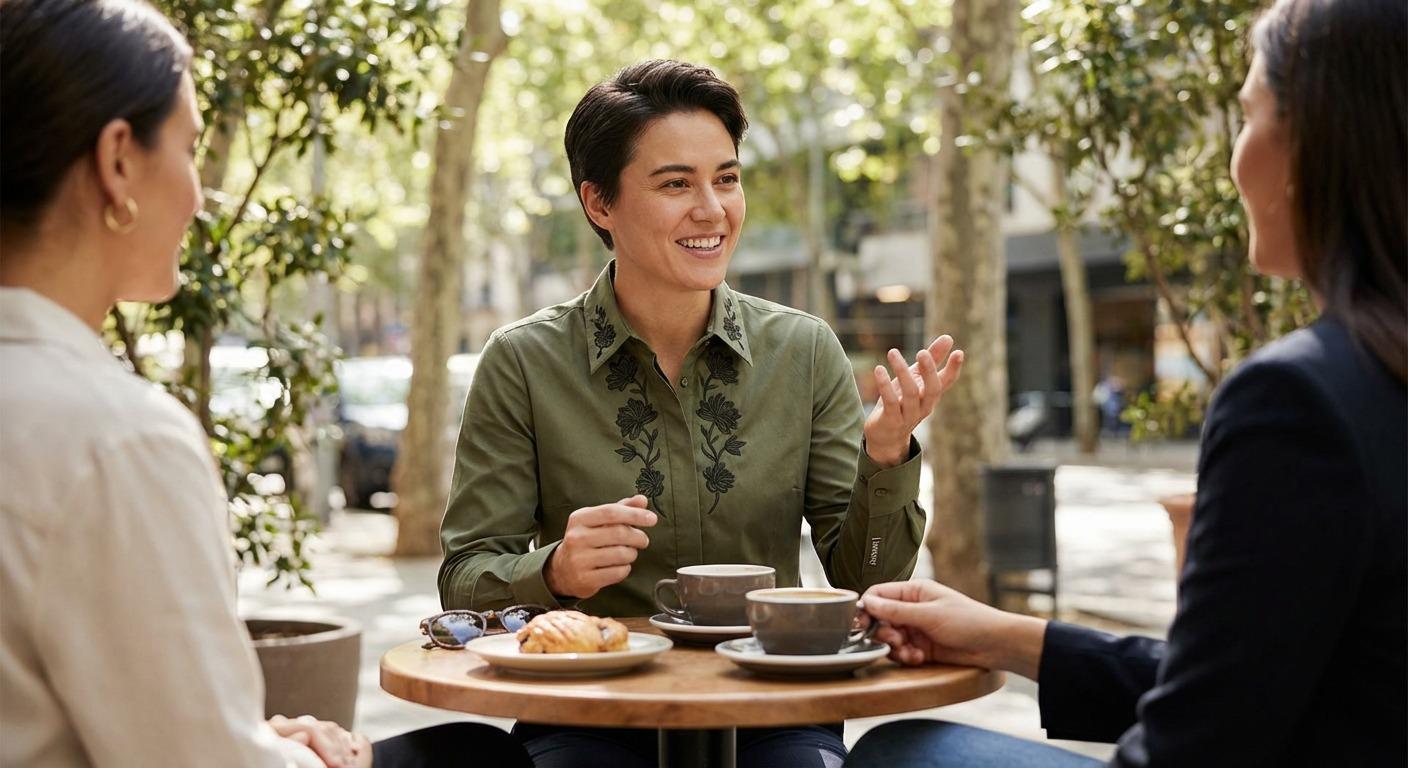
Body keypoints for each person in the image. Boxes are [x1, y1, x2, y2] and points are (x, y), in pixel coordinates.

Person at [845, 0, 1407, 765]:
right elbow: (1254, 679)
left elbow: (1199, 740)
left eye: (1246, 118)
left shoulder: (1299, 400)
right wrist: (1001, 634)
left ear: (1319, 142)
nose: (1234, 157)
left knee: (908, 754)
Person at [0, 2, 532, 766]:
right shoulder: (119, 440)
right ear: (119, 160)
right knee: (479, 757)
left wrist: (259, 740)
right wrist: (313, 756)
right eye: (187, 149)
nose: (197, 196)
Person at [438, 59, 964, 767]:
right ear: (599, 203)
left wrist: (888, 457)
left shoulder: (805, 351)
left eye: (727, 177)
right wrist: (556, 569)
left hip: (778, 706)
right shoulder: (523, 362)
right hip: (588, 711)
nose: (712, 209)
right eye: (675, 184)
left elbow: (863, 580)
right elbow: (465, 576)